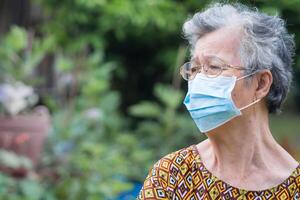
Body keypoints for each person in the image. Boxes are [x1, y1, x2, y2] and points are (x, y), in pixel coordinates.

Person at [137, 3, 300, 200]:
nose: (197, 80)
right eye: (195, 69)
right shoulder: (172, 174)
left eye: (214, 67)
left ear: (261, 84)